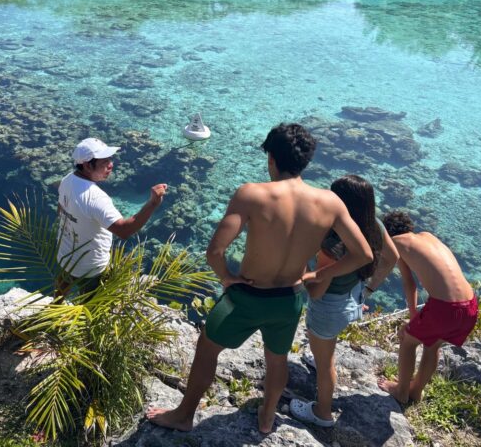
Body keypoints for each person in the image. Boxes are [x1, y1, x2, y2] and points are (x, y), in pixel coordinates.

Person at [146, 123, 373, 434]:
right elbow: (363, 255)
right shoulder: (330, 203)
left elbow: (215, 251)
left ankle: (184, 414)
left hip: (247, 297)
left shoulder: (251, 194)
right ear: (306, 161)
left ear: (271, 158)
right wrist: (317, 274)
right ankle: (267, 417)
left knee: (208, 348)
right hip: (289, 299)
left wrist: (226, 277)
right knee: (277, 359)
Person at [290, 175, 400, 427]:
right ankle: (320, 354)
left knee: (326, 361)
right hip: (353, 295)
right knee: (324, 346)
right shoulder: (375, 225)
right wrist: (369, 289)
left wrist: (302, 273)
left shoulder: (334, 244)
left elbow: (317, 292)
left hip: (329, 306)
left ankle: (322, 413)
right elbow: (391, 258)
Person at [377, 210, 478, 404]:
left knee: (408, 341)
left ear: (388, 233)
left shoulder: (395, 242)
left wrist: (414, 316)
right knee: (432, 344)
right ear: (410, 227)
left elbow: (409, 283)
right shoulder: (428, 236)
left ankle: (401, 391)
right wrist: (417, 318)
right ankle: (416, 391)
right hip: (470, 305)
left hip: (445, 308)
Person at [56, 137, 167, 295]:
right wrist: (153, 203)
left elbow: (61, 209)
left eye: (110, 159)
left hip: (65, 256)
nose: (111, 165)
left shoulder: (67, 180)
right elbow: (124, 230)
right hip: (90, 267)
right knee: (91, 306)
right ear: (87, 165)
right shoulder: (95, 198)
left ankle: (55, 309)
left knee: (62, 285)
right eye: (105, 162)